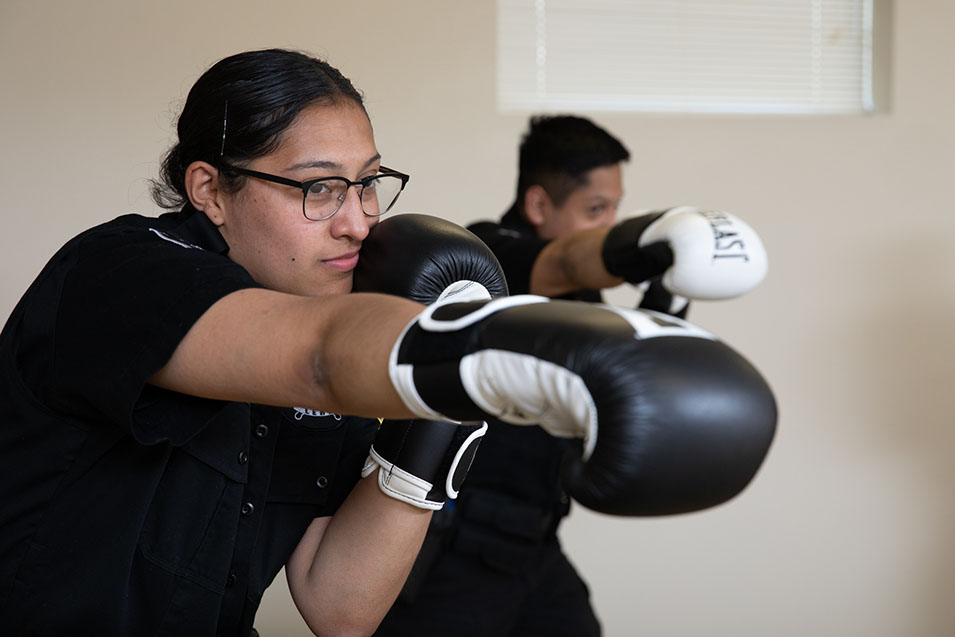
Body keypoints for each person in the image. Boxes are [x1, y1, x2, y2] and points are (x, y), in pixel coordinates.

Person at [0, 52, 776, 636]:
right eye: (319, 187)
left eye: (368, 181)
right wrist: (482, 349)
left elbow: (339, 603)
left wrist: (441, 411)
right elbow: (311, 357)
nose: (358, 219)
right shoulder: (119, 272)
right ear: (210, 189)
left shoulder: (342, 315)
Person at [374, 115, 769, 636]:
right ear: (539, 204)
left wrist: (671, 288)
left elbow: (633, 369)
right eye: (596, 210)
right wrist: (646, 239)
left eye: (615, 209)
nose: (608, 223)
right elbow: (564, 263)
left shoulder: (583, 301)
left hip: (536, 544)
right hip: (459, 547)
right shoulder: (488, 259)